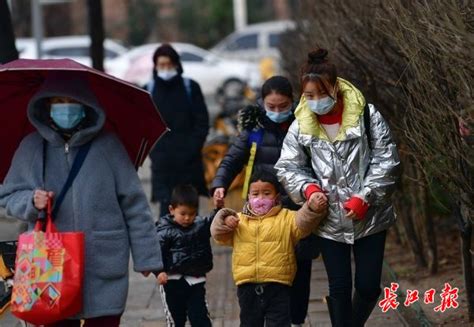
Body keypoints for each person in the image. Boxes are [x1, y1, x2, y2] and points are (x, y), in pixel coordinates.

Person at [0, 76, 163, 327]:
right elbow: (8, 196)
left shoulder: (108, 145)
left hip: (102, 267)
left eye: (71, 101)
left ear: (86, 106)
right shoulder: (32, 147)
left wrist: (148, 257)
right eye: (58, 102)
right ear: (45, 107)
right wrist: (32, 201)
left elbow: (135, 205)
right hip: (50, 270)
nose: (65, 107)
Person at [275, 49, 401, 326]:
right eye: (309, 96)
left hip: (370, 218)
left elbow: (386, 159)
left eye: (321, 94)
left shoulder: (366, 115)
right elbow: (288, 166)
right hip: (329, 220)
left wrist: (365, 196)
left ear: (335, 87)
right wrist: (308, 190)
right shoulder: (301, 126)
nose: (316, 102)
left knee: (368, 287)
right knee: (339, 288)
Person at [211, 75, 318, 326]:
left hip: (296, 208)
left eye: (283, 106)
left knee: (300, 265)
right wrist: (220, 184)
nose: (278, 112)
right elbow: (233, 159)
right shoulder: (255, 127)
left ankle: (296, 319)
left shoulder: (305, 125)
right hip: (262, 209)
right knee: (266, 264)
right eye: (272, 107)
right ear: (262, 102)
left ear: (292, 102)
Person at [211, 168, 328, 327]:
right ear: (248, 196)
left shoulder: (286, 218)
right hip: (247, 287)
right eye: (255, 194)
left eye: (267, 194)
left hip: (279, 286)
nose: (260, 198)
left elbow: (304, 222)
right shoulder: (239, 221)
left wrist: (312, 207)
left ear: (277, 197)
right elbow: (218, 235)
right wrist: (224, 219)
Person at [147, 44, 209, 218]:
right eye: (161, 65)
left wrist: (193, 147)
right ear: (155, 66)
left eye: (169, 65)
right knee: (166, 214)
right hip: (162, 164)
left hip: (189, 163)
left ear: (176, 65)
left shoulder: (190, 88)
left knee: (190, 213)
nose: (166, 69)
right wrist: (155, 152)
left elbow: (201, 122)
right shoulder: (149, 89)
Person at [156, 184, 215, 327]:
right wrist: (158, 271)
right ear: (172, 210)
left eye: (192, 213)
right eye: (183, 214)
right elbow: (156, 253)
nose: (187, 218)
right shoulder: (164, 230)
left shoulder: (200, 225)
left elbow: (214, 222)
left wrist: (219, 208)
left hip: (195, 281)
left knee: (200, 317)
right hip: (172, 282)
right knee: (176, 320)